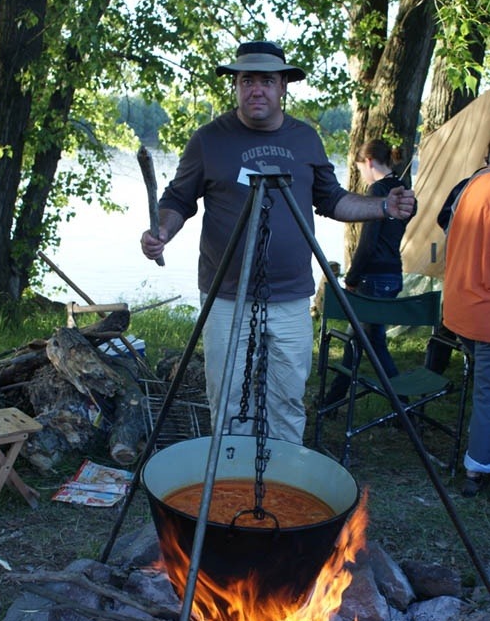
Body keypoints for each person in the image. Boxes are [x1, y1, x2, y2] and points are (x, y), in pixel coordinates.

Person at [140, 41, 416, 444]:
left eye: (267, 80)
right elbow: (178, 200)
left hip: (289, 298)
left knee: (286, 401)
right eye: (247, 80)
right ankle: (229, 486)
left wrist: (383, 206)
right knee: (228, 401)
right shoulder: (208, 140)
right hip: (226, 298)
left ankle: (285, 493)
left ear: (283, 86)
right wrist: (162, 232)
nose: (256, 89)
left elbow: (333, 200)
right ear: (235, 85)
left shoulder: (305, 139)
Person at [323, 139, 416, 407]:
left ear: (369, 162)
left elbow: (368, 242)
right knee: (362, 339)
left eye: (360, 168)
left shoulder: (377, 190)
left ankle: (403, 404)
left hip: (373, 277)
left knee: (370, 342)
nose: (361, 175)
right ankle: (331, 400)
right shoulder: (402, 188)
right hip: (393, 274)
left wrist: (351, 278)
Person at [442, 149, 490, 497]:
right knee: (487, 393)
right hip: (484, 310)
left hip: (462, 306)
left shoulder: (471, 183)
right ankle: (476, 468)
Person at [426, 145, 490, 374]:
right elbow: (445, 219)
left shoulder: (471, 185)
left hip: (461, 290)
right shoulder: (471, 185)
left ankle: (431, 376)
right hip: (474, 294)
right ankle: (432, 374)